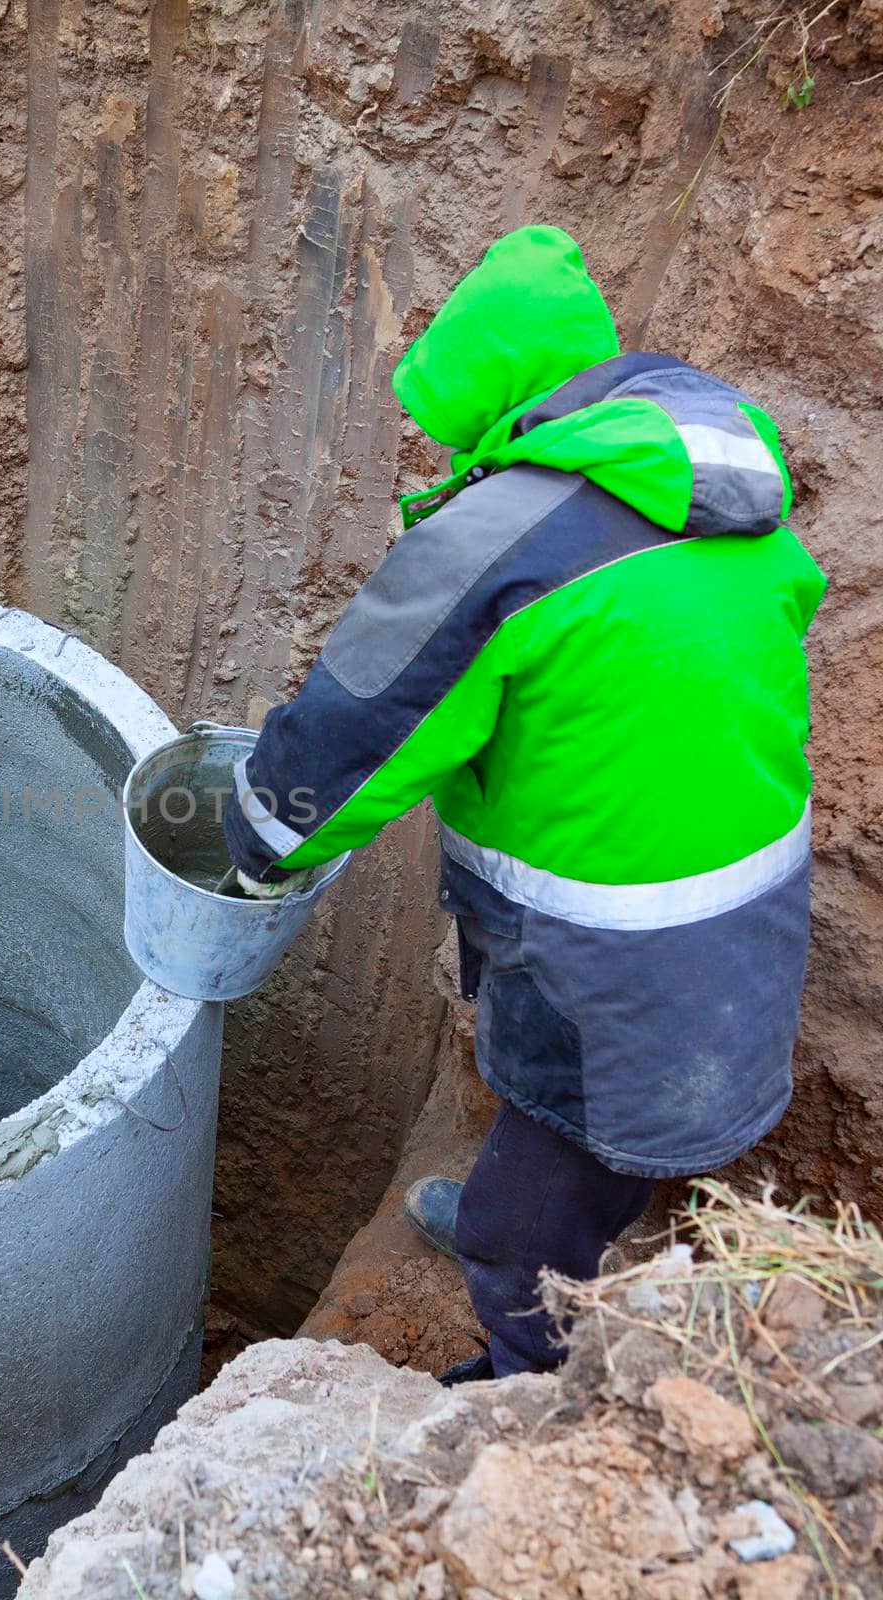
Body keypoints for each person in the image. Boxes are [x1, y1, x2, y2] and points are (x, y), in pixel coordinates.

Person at [221, 225, 825, 1384]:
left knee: (526, 1220)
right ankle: (555, 1209)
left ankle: (521, 1390)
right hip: (735, 922)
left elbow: (367, 721)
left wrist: (259, 840)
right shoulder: (722, 492)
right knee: (581, 1125)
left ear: (498, 400)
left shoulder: (505, 543)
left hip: (610, 956)